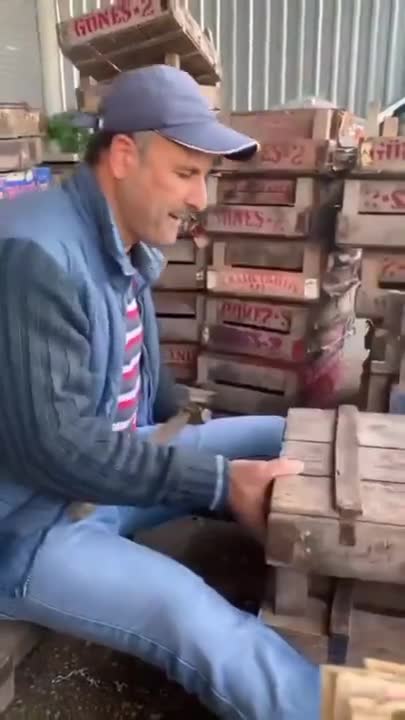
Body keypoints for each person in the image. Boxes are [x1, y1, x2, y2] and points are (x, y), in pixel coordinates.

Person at [0, 65, 319, 719]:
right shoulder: (35, 256)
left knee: (283, 435)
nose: (200, 197)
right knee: (201, 621)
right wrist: (217, 483)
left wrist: (199, 445)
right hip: (32, 526)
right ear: (124, 156)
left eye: (205, 176)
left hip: (102, 479)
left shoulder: (120, 239)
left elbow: (148, 383)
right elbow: (53, 448)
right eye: (185, 173)